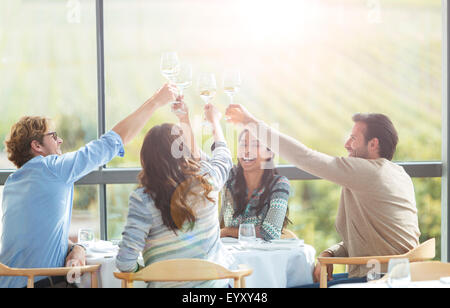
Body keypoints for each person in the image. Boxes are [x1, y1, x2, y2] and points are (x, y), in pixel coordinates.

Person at [0, 84, 177, 288]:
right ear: (36, 146)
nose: (60, 140)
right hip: (40, 284)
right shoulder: (52, 168)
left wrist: (77, 247)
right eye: (53, 136)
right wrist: (155, 101)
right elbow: (112, 142)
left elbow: (39, 239)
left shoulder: (13, 184)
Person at [225, 104, 420, 287]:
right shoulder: (398, 174)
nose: (346, 144)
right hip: (402, 274)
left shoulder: (369, 172)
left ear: (373, 144)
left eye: (353, 138)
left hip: (379, 279)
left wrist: (250, 121)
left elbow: (305, 157)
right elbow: (374, 240)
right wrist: (331, 253)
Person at [116, 102, 235, 288]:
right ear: (183, 151)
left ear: (146, 160)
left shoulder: (143, 199)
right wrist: (214, 123)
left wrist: (147, 274)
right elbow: (224, 157)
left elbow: (125, 263)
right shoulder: (207, 179)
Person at [219, 129, 291, 241]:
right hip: (229, 254)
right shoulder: (229, 176)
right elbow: (204, 163)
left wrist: (227, 231)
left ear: (269, 153)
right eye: (243, 145)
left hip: (263, 256)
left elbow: (270, 233)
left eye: (255, 145)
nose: (247, 151)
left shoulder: (280, 184)